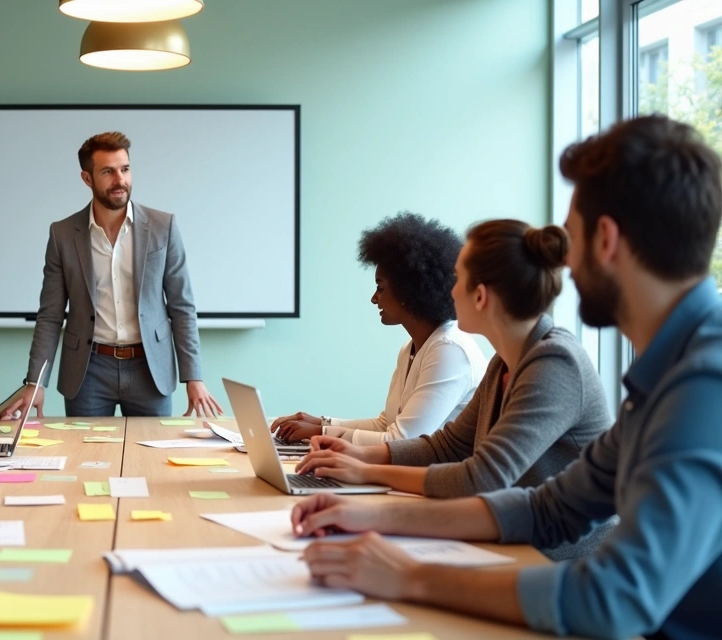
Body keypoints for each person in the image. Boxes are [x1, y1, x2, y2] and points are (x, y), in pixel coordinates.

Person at [289, 115, 722, 639]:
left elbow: (615, 599)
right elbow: (548, 507)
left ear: (606, 239)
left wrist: (412, 577)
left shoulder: (704, 385)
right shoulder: (669, 372)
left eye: (572, 238)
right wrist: (374, 518)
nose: (566, 262)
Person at [297, 219, 614, 559]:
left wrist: (366, 472)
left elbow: (482, 479)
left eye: (458, 279)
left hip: (563, 560)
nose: (449, 291)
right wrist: (358, 454)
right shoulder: (503, 363)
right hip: (514, 541)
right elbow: (448, 447)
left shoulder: (554, 363)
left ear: (480, 296)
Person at [3, 132, 222, 418]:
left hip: (150, 368)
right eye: (108, 171)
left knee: (150, 459)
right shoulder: (63, 234)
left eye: (125, 169)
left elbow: (182, 308)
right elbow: (50, 314)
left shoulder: (162, 227)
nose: (120, 180)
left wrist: (194, 377)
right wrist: (35, 382)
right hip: (88, 370)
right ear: (87, 178)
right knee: (87, 459)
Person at [273, 213, 487, 445]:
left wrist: (320, 433)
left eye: (380, 288)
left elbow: (402, 440)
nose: (374, 299)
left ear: (409, 291)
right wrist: (321, 423)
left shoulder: (449, 351)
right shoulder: (411, 348)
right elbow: (385, 424)